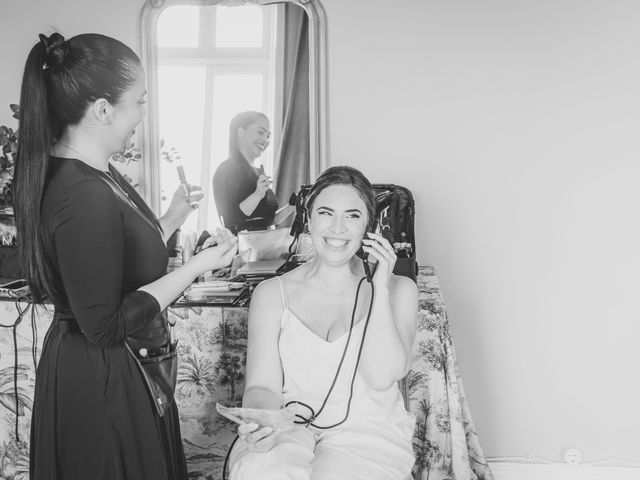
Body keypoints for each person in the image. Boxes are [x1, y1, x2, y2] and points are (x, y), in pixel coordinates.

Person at [14, 32, 237, 480]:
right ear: (102, 109)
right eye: (139, 101)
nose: (142, 114)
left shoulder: (96, 171)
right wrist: (197, 267)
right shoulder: (82, 192)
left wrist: (172, 216)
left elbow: (116, 255)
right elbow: (104, 324)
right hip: (102, 376)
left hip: (120, 367)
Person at [228, 166, 418, 479]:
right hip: (288, 427)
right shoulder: (271, 293)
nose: (338, 228)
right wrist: (262, 422)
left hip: (368, 432)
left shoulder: (399, 290)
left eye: (353, 216)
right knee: (256, 470)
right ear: (309, 219)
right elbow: (262, 385)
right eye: (326, 213)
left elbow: (382, 375)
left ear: (370, 225)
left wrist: (380, 288)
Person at [212, 111, 278, 233]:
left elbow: (267, 219)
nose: (265, 140)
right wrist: (258, 195)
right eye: (260, 132)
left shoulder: (259, 172)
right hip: (244, 248)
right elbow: (231, 220)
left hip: (266, 246)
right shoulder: (226, 169)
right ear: (240, 132)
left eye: (268, 135)